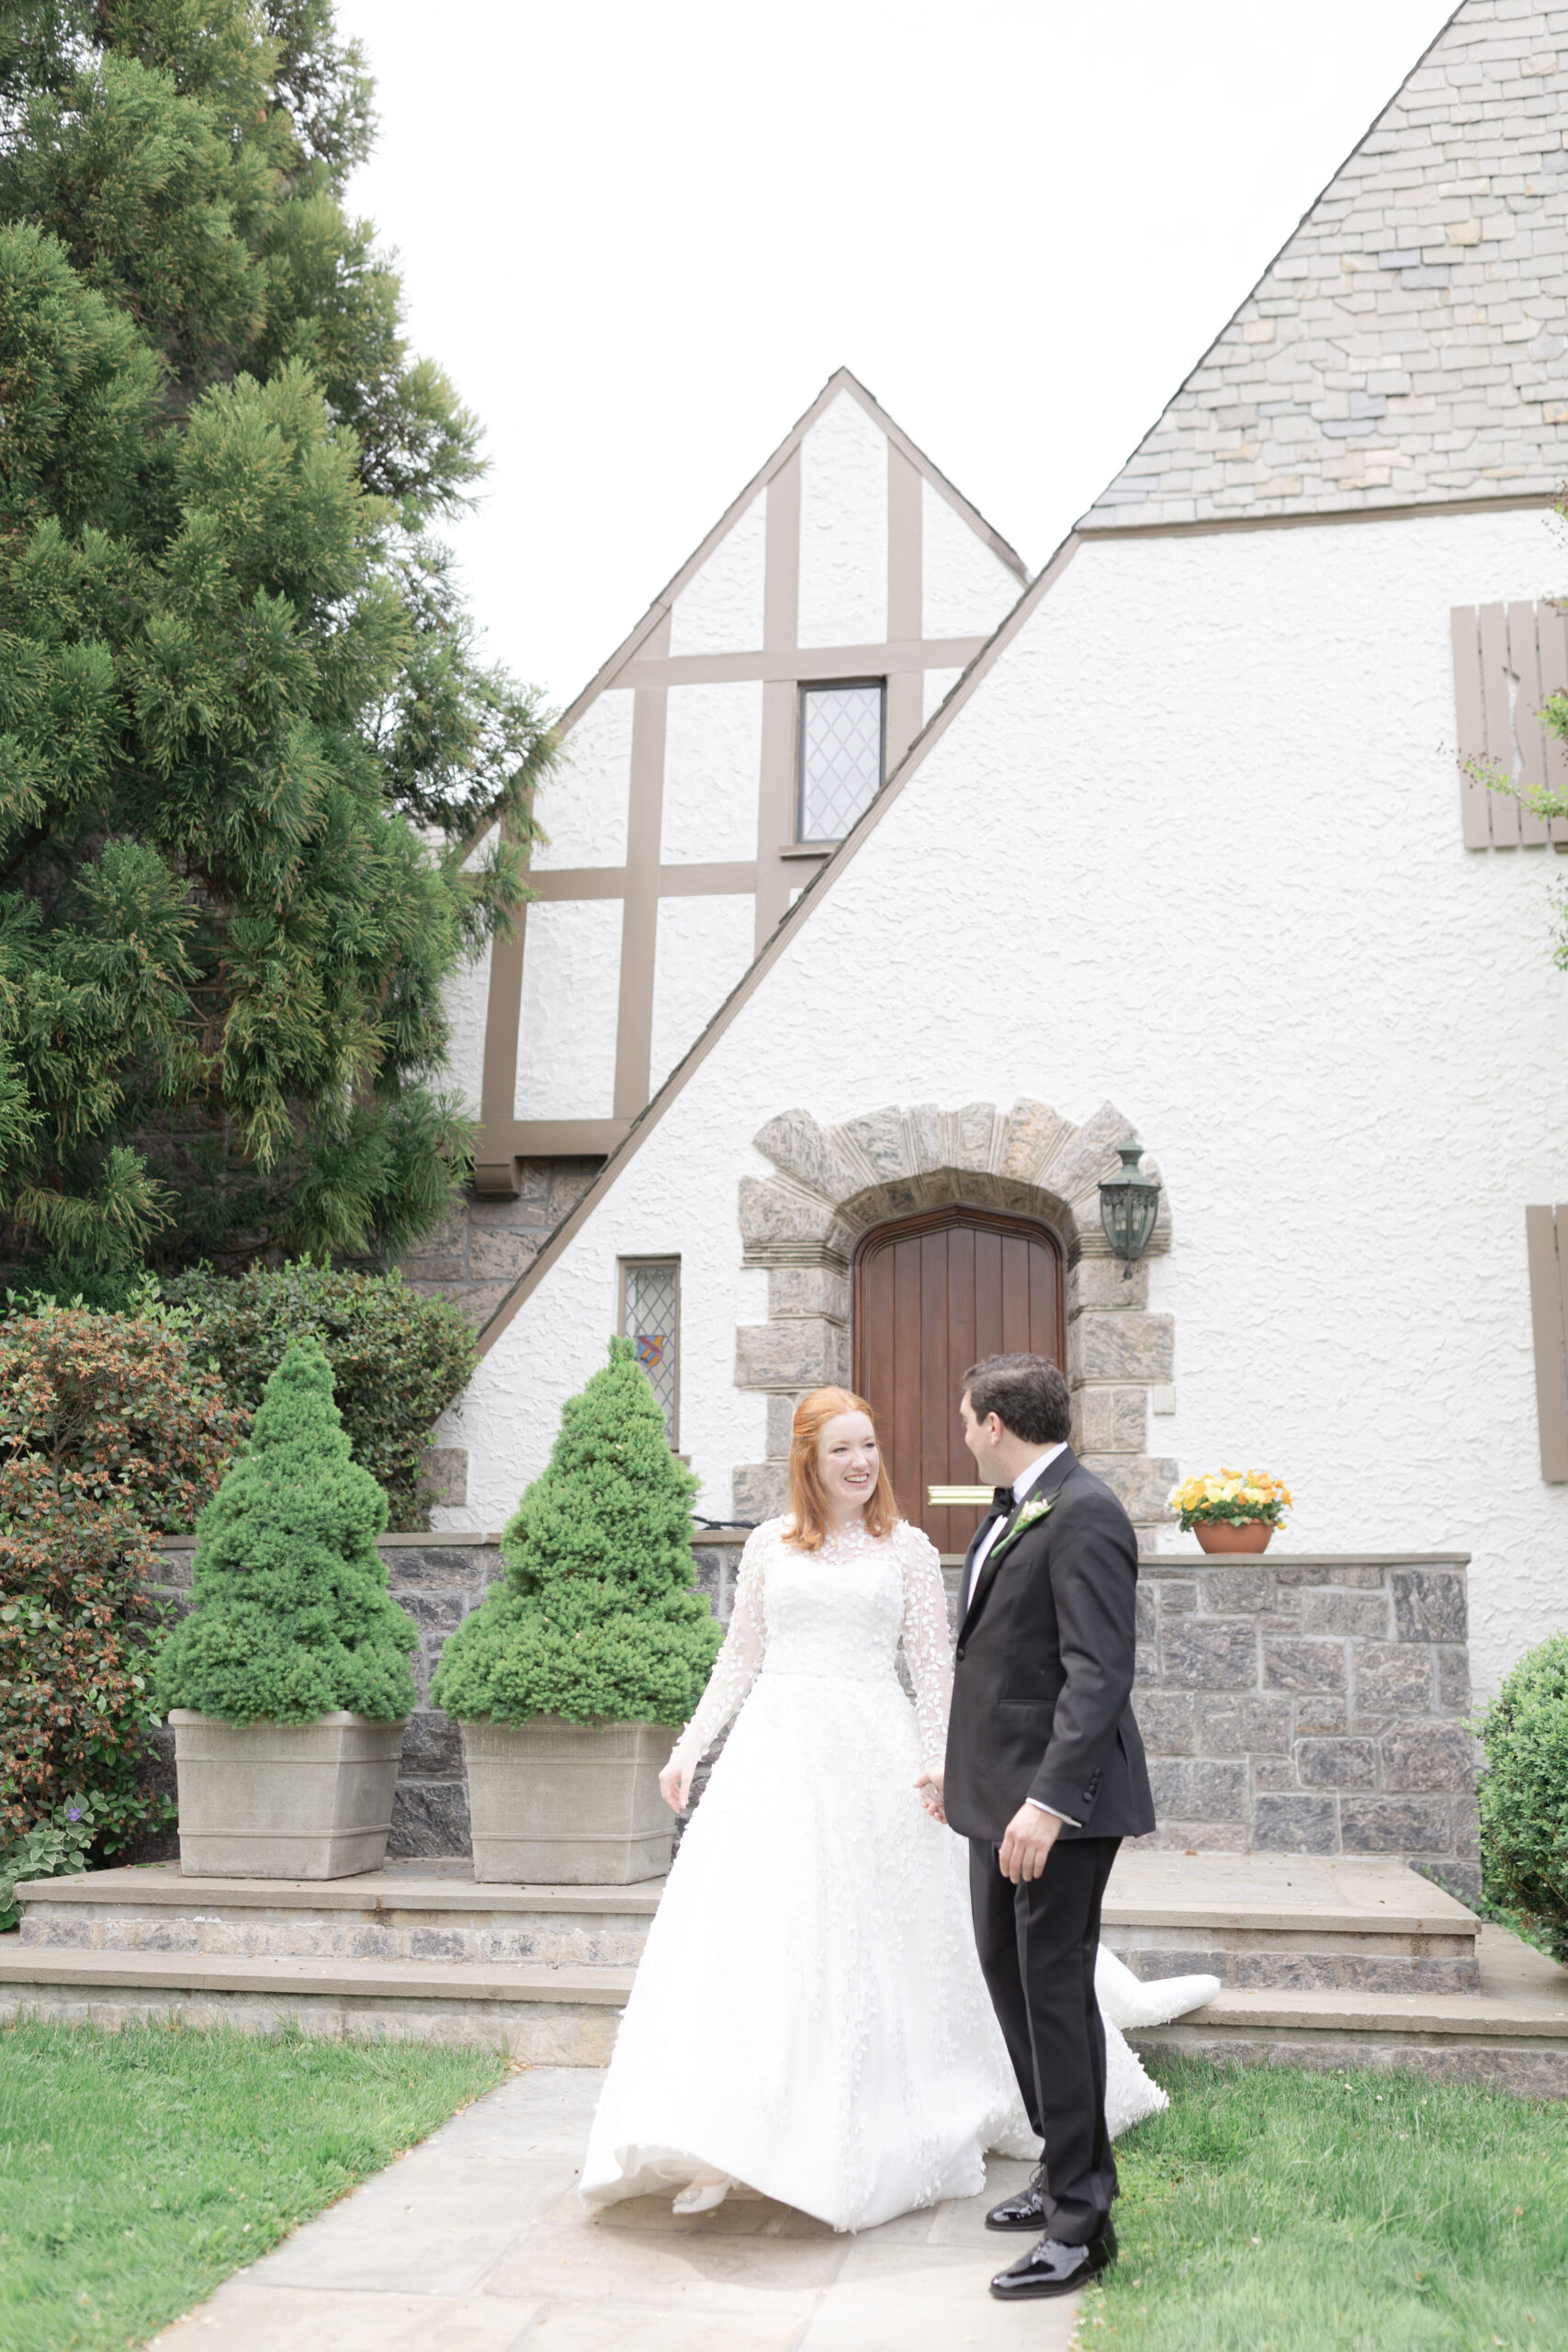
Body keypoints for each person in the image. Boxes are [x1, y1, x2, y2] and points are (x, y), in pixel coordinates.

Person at [580, 1383, 1212, 2245]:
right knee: (760, 1938)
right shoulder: (768, 1544)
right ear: (807, 1458)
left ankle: (907, 2121)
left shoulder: (907, 1548)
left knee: (890, 1942)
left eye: (868, 1446)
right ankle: (728, 2131)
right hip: (777, 1758)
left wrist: (938, 1761)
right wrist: (690, 1748)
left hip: (873, 1757)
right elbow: (740, 1657)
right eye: (841, 1449)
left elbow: (935, 1668)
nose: (860, 1463)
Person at [932, 1351, 1157, 2302]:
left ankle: (1082, 2223)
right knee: (1006, 1972)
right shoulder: (1017, 1504)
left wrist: (1048, 1801)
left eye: (964, 1417)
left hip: (1057, 1806)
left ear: (992, 1423)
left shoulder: (1086, 1509)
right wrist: (961, 1774)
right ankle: (1060, 2159)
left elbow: (1099, 1672)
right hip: (999, 1794)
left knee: (1053, 1989)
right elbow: (996, 1661)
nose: (961, 1430)